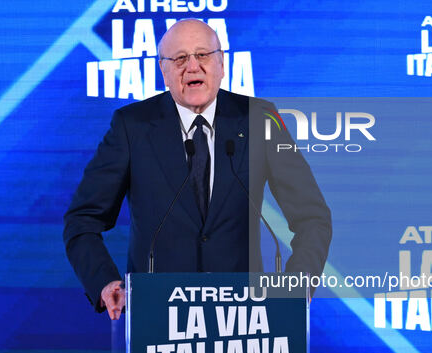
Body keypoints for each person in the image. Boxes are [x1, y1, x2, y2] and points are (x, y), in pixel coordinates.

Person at [63, 19, 331, 320]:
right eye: (179, 58)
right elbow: (83, 219)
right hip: (158, 322)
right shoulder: (131, 126)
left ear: (222, 64)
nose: (192, 66)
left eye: (203, 55)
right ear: (163, 72)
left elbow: (313, 218)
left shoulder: (260, 118)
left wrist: (296, 286)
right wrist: (104, 281)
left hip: (245, 322)